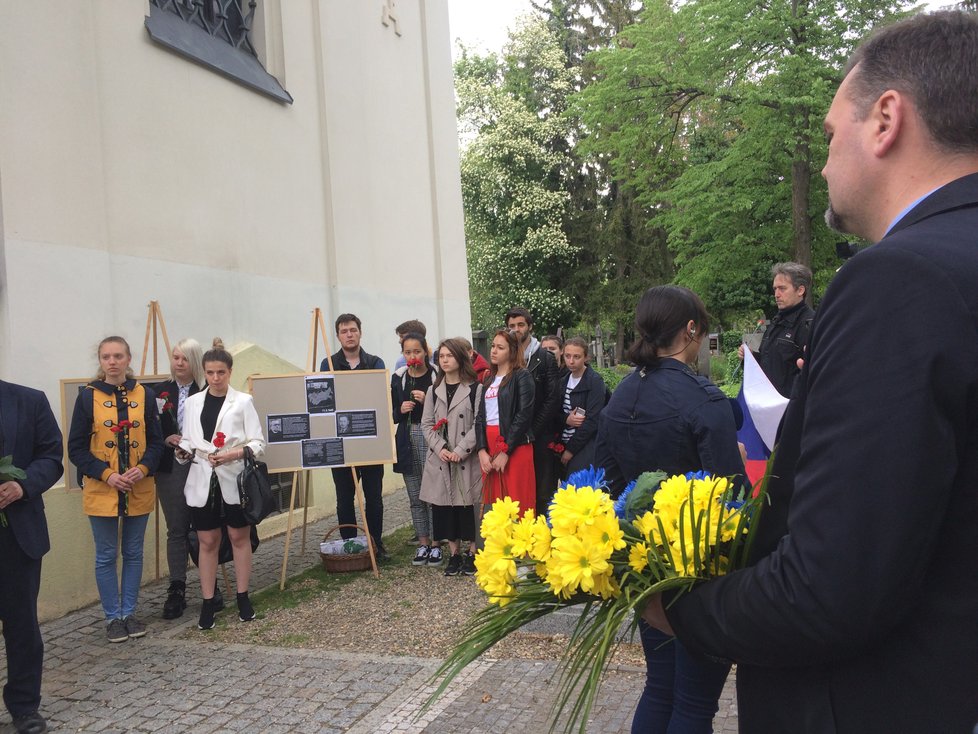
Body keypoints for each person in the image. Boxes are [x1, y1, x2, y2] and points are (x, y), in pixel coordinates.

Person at [643, 11, 978, 732]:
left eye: (830, 135)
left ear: (886, 118)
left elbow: (831, 588)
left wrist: (672, 606)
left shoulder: (900, 279)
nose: (824, 164)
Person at [593, 286, 744, 733]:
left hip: (648, 568)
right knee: (694, 704)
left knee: (659, 688)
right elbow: (731, 501)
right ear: (691, 330)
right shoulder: (704, 399)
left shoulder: (620, 396)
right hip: (701, 569)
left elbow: (607, 483)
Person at [67, 336, 164, 643]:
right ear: (100, 360)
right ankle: (112, 617)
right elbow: (76, 449)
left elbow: (158, 441)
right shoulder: (87, 397)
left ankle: (129, 613)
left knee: (134, 552)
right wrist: (107, 474)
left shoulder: (145, 395)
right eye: (107, 356)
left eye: (118, 356)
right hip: (102, 488)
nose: (112, 361)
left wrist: (144, 468)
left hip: (139, 486)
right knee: (106, 555)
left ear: (127, 358)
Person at [177, 339, 266, 630]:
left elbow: (257, 442)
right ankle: (207, 601)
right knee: (207, 540)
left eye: (221, 373)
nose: (216, 378)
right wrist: (183, 451)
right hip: (203, 477)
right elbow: (189, 440)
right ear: (204, 372)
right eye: (211, 373)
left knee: (239, 537)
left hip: (233, 478)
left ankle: (243, 597)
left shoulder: (242, 402)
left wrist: (234, 453)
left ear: (230, 372)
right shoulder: (192, 403)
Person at [0, 381, 63, 734]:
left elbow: (52, 456)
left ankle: (24, 707)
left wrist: (22, 486)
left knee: (22, 625)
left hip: (17, 534)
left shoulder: (28, 400)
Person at [320, 314, 389, 560]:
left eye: (353, 330)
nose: (349, 334)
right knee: (344, 499)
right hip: (340, 445)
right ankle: (350, 546)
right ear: (338, 336)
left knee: (374, 498)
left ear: (360, 332)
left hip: (370, 443)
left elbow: (379, 398)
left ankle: (375, 544)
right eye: (344, 331)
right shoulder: (327, 364)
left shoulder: (375, 363)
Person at [153, 338, 208, 620]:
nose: (178, 363)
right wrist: (165, 438)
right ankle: (177, 587)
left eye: (184, 359)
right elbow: (150, 429)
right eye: (175, 357)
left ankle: (209, 585)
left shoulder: (207, 390)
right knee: (176, 528)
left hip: (200, 465)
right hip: (170, 468)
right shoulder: (160, 392)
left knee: (202, 527)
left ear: (194, 361)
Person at [420, 338, 483, 576]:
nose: (445, 360)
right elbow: (427, 424)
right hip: (441, 459)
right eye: (441, 356)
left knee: (467, 505)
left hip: (465, 458)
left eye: (449, 355)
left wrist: (460, 450)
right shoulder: (433, 391)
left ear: (460, 358)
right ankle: (454, 553)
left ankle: (472, 552)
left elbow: (479, 423)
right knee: (444, 507)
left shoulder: (475, 388)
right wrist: (441, 448)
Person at [391, 333, 440, 566]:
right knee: (414, 493)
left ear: (425, 352)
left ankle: (437, 543)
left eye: (417, 352)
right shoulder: (399, 377)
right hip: (406, 436)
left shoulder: (435, 375)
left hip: (429, 434)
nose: (413, 356)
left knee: (432, 491)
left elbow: (446, 411)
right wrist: (401, 408)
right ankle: (423, 542)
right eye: (408, 352)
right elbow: (392, 413)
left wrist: (427, 399)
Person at [504, 308, 560, 514]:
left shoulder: (544, 358)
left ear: (530, 326)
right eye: (511, 326)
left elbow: (553, 398)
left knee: (543, 491)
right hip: (515, 435)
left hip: (540, 433)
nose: (516, 330)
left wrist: (533, 429)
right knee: (518, 491)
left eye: (520, 325)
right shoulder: (505, 357)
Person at [475, 329, 536, 517]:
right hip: (490, 443)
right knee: (496, 502)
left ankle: (523, 544)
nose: (493, 350)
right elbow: (479, 417)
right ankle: (499, 544)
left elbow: (524, 414)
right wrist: (481, 450)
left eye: (500, 347)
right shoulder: (488, 379)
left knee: (518, 500)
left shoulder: (522, 376)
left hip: (515, 444)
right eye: (493, 346)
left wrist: (506, 450)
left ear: (512, 351)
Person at [738, 262, 815, 397]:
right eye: (775, 289)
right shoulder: (776, 321)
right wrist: (750, 358)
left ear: (800, 290)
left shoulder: (810, 324)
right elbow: (769, 363)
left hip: (792, 409)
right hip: (768, 406)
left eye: (782, 288)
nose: (776, 294)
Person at [552, 337, 607, 477]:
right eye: (567, 356)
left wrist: (570, 450)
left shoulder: (594, 381)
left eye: (576, 357)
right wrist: (566, 419)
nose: (571, 361)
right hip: (562, 443)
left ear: (586, 357)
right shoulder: (563, 381)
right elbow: (554, 413)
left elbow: (592, 421)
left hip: (585, 446)